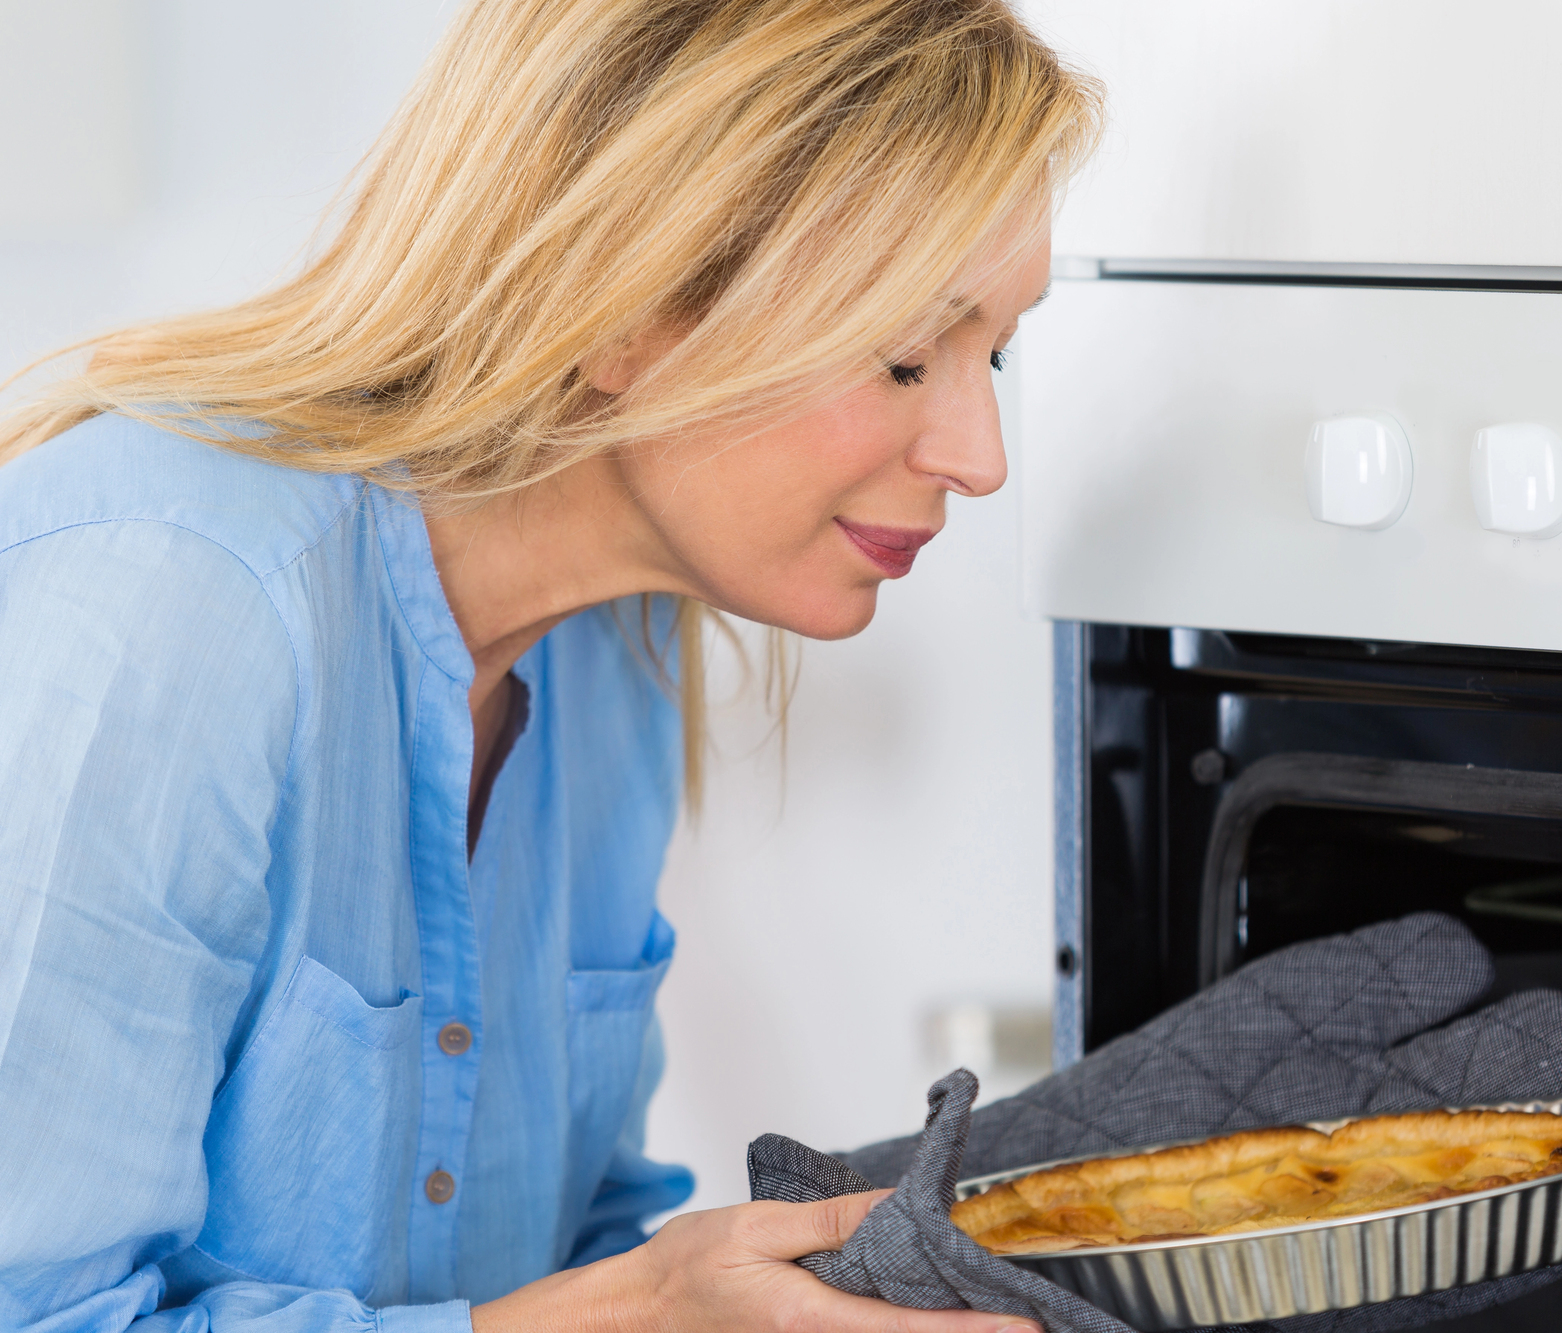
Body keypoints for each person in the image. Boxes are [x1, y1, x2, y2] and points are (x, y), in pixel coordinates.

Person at [0, 1, 1098, 1329]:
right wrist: (643, 1311)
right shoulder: (171, 605)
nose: (981, 457)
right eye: (910, 353)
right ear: (632, 305)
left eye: (998, 352)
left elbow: (552, 1255)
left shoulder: (613, 655)